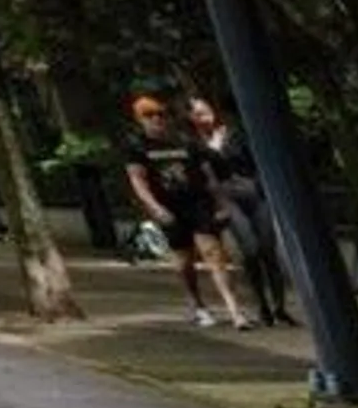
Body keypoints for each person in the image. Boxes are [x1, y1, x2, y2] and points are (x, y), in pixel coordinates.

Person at [125, 92, 251, 328]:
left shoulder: (183, 141)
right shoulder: (137, 146)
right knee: (184, 261)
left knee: (214, 254)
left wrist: (220, 203)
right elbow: (138, 181)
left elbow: (208, 173)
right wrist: (155, 208)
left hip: (197, 202)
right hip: (169, 207)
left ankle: (235, 310)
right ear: (139, 119)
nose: (156, 119)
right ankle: (197, 304)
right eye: (149, 115)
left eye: (160, 114)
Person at [192, 96, 294, 327]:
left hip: (252, 191)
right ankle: (262, 305)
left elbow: (257, 160)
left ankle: (279, 306)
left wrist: (260, 185)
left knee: (268, 248)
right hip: (226, 197)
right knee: (250, 249)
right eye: (197, 114)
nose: (202, 118)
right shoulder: (196, 144)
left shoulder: (235, 134)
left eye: (204, 112)